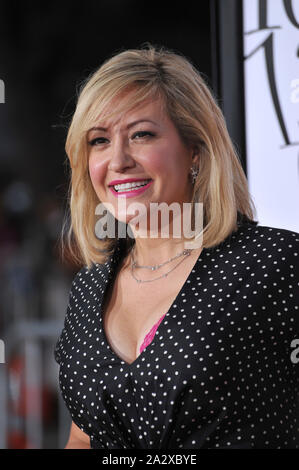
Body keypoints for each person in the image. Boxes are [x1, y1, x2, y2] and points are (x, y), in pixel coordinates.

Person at [54, 44, 299, 449]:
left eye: (141, 135)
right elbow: (83, 438)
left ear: (196, 152)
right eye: (99, 140)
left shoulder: (274, 263)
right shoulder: (87, 289)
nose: (118, 159)